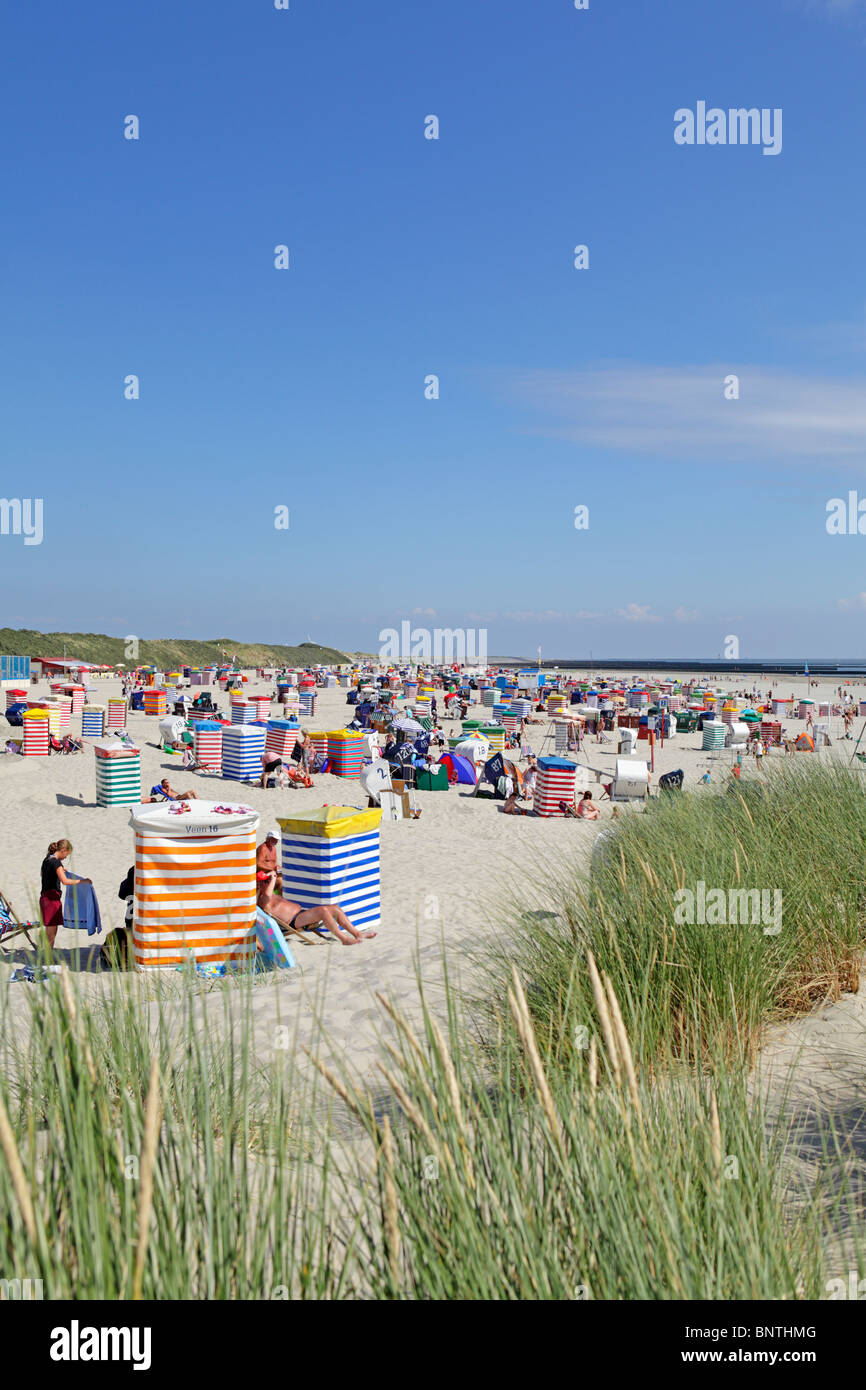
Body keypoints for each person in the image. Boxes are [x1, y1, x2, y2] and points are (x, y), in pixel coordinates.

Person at [258, 871, 376, 945]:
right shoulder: (262, 898)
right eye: (265, 881)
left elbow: (278, 883)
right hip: (293, 921)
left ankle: (357, 933)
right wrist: (272, 878)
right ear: (259, 885)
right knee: (323, 912)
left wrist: (275, 874)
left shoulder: (271, 893)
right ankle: (343, 939)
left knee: (334, 908)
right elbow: (267, 896)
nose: (268, 882)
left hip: (300, 914)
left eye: (268, 880)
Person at [40, 839, 91, 948]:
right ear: (63, 850)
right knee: (52, 931)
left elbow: (43, 874)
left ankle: (45, 953)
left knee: (49, 928)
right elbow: (65, 881)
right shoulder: (56, 862)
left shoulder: (47, 859)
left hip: (44, 897)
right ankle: (47, 957)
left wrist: (59, 871)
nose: (66, 857)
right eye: (67, 855)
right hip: (52, 899)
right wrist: (83, 881)